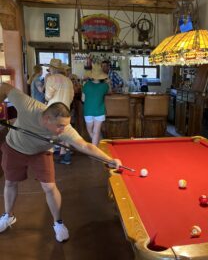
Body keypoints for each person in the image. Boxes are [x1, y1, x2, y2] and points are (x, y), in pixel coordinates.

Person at [0, 82, 121, 242]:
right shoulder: (28, 106)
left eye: (65, 125)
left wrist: (109, 160)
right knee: (10, 183)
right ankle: (8, 216)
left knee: (49, 187)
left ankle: (58, 223)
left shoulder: (65, 129)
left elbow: (85, 146)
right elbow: (4, 87)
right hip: (15, 147)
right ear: (47, 118)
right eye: (59, 126)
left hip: (41, 152)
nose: (63, 130)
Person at [45, 59, 74, 164]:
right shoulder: (68, 80)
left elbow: (48, 97)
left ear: (52, 68)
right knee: (64, 133)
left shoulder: (51, 79)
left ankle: (49, 157)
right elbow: (71, 97)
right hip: (65, 109)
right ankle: (65, 156)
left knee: (49, 133)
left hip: (53, 110)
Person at [82, 65, 111, 146]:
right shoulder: (105, 86)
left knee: (90, 131)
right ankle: (98, 146)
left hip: (88, 111)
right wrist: (109, 83)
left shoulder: (86, 85)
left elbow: (83, 99)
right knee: (96, 132)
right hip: (100, 111)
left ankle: (96, 149)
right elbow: (110, 92)